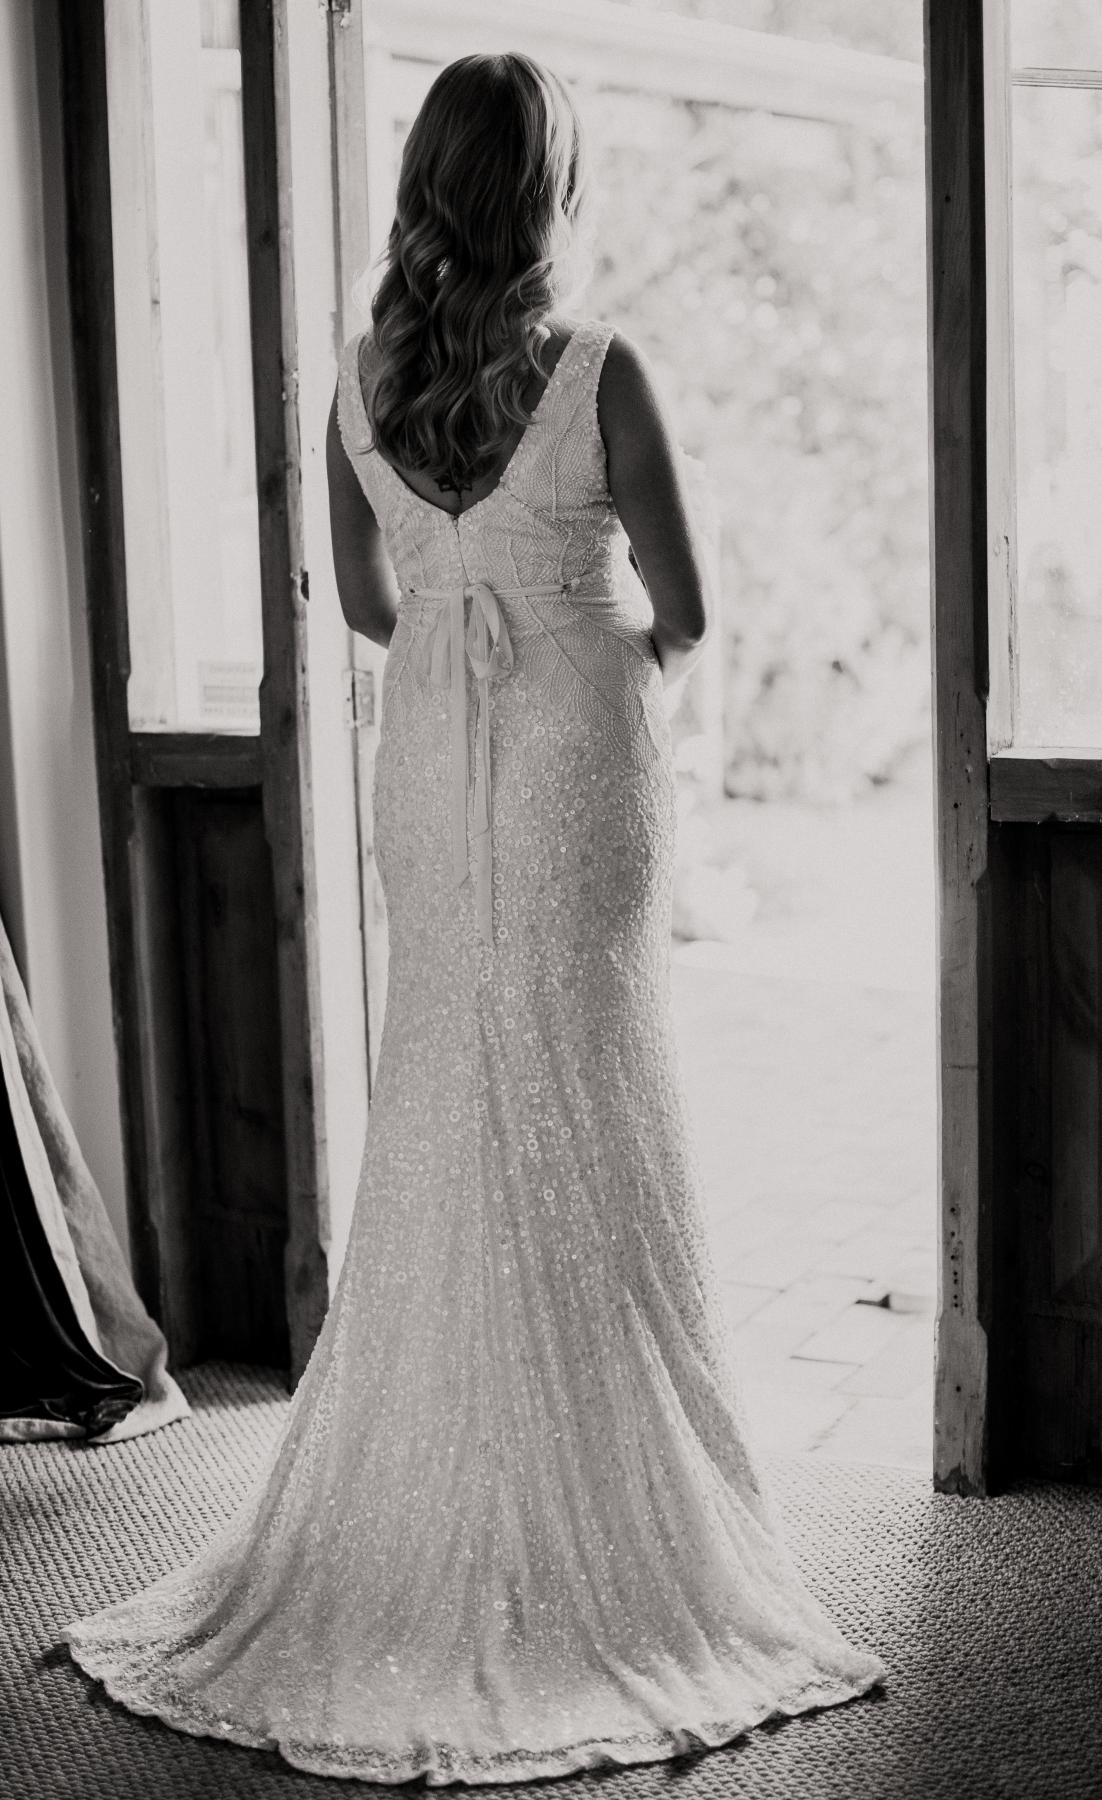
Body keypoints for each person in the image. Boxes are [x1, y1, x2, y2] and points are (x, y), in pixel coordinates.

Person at [59, 51, 887, 1785]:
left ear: (433, 181)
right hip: (577, 755)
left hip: (429, 767)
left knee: (448, 1084)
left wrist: (463, 618)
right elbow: (694, 606)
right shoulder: (602, 371)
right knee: (590, 1082)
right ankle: (616, 1508)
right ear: (551, 192)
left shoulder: (360, 383)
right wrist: (591, 652)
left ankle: (444, 1465)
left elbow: (368, 606)